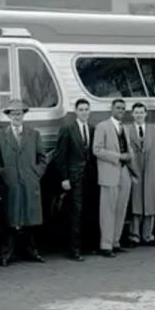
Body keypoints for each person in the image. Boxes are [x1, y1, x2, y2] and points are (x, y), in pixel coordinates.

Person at [0, 100, 47, 267]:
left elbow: (43, 158)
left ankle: (31, 251)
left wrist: (35, 173)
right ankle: (6, 253)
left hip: (29, 182)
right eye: (13, 113)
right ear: (8, 116)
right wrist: (5, 174)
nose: (17, 116)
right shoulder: (0, 136)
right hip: (11, 184)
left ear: (24, 115)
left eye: (20, 113)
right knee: (11, 219)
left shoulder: (34, 134)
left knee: (29, 218)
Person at [55, 99, 97, 262]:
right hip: (74, 177)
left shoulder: (92, 129)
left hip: (90, 176)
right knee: (75, 213)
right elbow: (60, 156)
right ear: (76, 111)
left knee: (89, 211)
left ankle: (86, 246)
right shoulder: (68, 129)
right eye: (81, 109)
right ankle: (74, 249)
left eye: (86, 109)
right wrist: (64, 178)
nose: (84, 112)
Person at [93, 99, 136, 257]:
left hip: (124, 172)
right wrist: (118, 156)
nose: (120, 110)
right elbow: (96, 150)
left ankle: (115, 241)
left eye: (123, 108)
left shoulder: (124, 128)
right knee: (108, 211)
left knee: (121, 208)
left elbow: (128, 148)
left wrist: (130, 158)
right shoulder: (102, 126)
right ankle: (105, 245)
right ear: (111, 109)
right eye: (118, 108)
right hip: (109, 172)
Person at [127, 103, 155, 247]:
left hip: (151, 172)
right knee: (136, 205)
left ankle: (148, 235)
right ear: (132, 114)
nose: (139, 115)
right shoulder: (127, 130)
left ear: (145, 114)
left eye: (141, 112)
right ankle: (134, 236)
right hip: (135, 172)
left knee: (151, 204)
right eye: (136, 112)